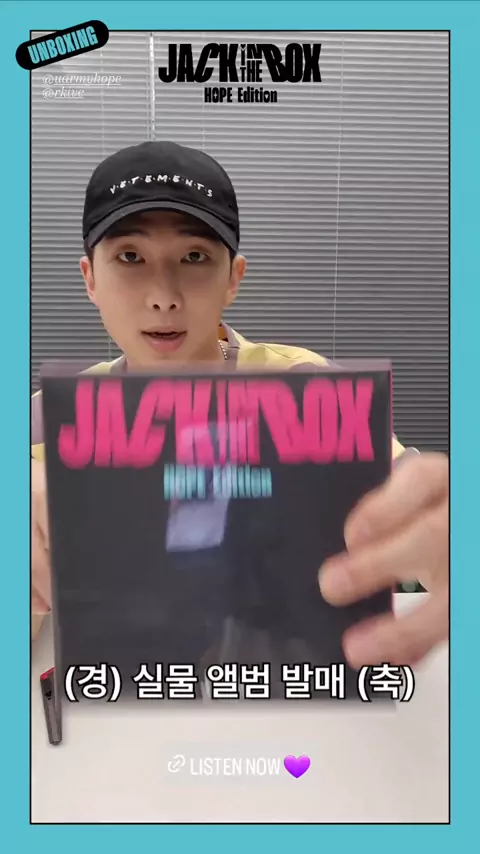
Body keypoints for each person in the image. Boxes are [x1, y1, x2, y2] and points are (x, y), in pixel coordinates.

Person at [31, 140, 449, 669]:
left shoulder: (305, 387)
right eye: (130, 257)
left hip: (292, 688)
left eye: (195, 257)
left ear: (233, 278)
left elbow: (415, 515)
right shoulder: (48, 423)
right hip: (123, 698)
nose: (163, 296)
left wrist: (445, 535)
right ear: (90, 278)